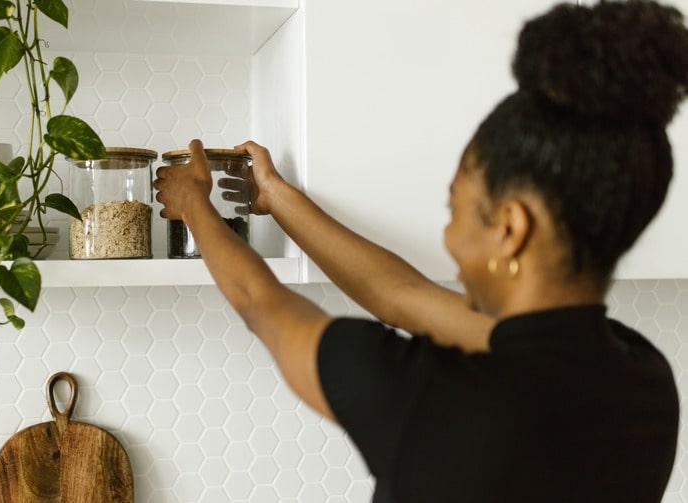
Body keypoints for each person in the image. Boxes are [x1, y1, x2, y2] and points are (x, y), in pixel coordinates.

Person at [153, 1, 688, 501]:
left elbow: (259, 301)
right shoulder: (646, 384)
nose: (450, 239)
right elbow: (400, 294)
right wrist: (276, 197)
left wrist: (194, 205)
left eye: (454, 209)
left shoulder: (430, 399)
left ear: (511, 228)